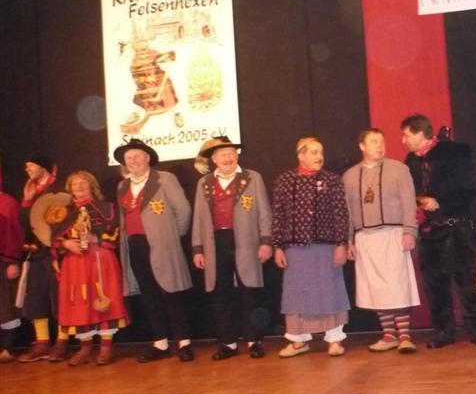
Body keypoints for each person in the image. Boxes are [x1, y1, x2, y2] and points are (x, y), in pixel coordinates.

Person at [401, 113, 476, 348]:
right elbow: (409, 192)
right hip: (430, 232)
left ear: (420, 133)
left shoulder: (455, 153)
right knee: (435, 286)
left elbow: (469, 190)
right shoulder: (410, 161)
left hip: (457, 228)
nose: (403, 140)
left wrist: (440, 202)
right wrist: (419, 202)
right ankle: (443, 332)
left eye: (406, 135)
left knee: (467, 282)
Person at [191, 136, 273, 360]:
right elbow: (198, 217)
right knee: (221, 294)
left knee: (250, 292)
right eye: (222, 154)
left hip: (246, 241)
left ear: (237, 155)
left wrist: (266, 242)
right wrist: (198, 249)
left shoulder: (252, 178)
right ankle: (228, 343)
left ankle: (254, 341)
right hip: (215, 242)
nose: (227, 158)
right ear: (214, 159)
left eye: (231, 153)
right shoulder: (204, 183)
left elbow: (264, 212)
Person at [114, 139, 195, 362]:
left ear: (147, 158)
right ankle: (160, 343)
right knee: (149, 294)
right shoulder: (122, 186)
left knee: (171, 293)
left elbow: (183, 210)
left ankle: (184, 342)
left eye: (137, 156)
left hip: (163, 245)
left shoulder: (165, 179)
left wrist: (173, 237)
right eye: (129, 158)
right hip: (135, 245)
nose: (133, 161)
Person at [343, 128, 421, 353]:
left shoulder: (399, 169)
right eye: (374, 141)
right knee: (375, 289)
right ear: (361, 146)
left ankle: (404, 336)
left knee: (397, 286)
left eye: (382, 141)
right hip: (365, 238)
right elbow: (347, 212)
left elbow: (409, 202)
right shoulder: (349, 176)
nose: (379, 146)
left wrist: (409, 232)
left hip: (393, 235)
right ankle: (389, 335)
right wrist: (349, 241)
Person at [271, 137, 350, 358]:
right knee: (296, 294)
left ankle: (334, 339)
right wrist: (277, 246)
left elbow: (341, 214)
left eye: (321, 152)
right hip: (295, 249)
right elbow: (278, 215)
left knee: (330, 291)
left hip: (326, 247)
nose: (319, 156)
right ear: (301, 155)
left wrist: (341, 244)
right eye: (314, 152)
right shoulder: (285, 180)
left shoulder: (332, 180)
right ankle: (298, 341)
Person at [50, 171, 129, 366]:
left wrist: (97, 238)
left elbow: (117, 233)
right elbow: (54, 238)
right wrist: (65, 244)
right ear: (69, 188)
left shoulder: (107, 208)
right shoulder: (63, 212)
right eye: (74, 183)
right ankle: (85, 348)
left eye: (83, 182)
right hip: (74, 263)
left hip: (100, 259)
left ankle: (106, 348)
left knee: (104, 297)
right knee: (79, 301)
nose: (79, 186)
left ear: (91, 185)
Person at [15, 155, 60, 362]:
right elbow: (24, 223)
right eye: (26, 166)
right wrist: (27, 200)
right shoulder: (32, 189)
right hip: (35, 253)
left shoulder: (59, 187)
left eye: (31, 165)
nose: (27, 169)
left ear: (43, 167)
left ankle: (62, 341)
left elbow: (61, 219)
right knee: (35, 297)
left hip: (55, 250)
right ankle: (42, 342)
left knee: (59, 296)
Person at [0, 170, 24, 362]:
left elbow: (14, 233)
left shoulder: (7, 203)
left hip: (3, 261)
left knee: (6, 306)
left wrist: (12, 260)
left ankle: (7, 348)